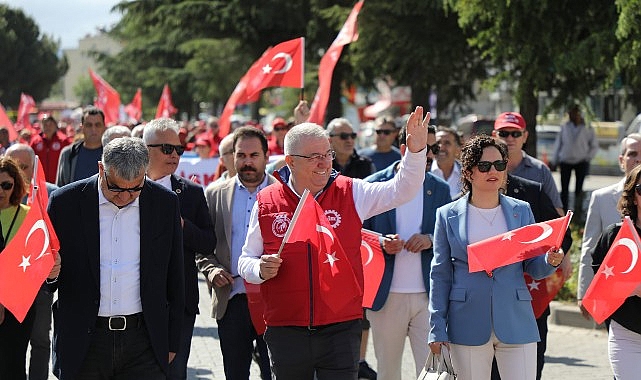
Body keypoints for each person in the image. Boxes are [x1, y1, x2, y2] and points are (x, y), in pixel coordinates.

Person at [238, 105, 430, 380]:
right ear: (291, 161)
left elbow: (403, 189)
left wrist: (416, 151)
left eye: (327, 154)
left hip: (341, 325)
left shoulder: (351, 191)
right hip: (286, 327)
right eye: (314, 157)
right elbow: (246, 259)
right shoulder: (267, 201)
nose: (325, 163)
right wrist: (259, 269)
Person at [47, 137, 185, 379]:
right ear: (102, 169)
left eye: (135, 188)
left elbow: (175, 277)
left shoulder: (164, 203)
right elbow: (46, 279)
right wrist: (49, 274)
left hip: (144, 343)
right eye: (117, 188)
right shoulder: (64, 203)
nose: (125, 197)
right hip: (84, 343)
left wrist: (173, 342)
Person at [428, 135, 563, 380]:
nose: (494, 171)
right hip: (466, 322)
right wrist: (436, 327)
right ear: (468, 172)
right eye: (484, 166)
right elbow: (440, 274)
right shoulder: (446, 215)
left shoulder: (521, 210)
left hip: (516, 319)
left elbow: (533, 266)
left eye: (500, 165)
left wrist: (550, 261)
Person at [363, 124, 451, 379]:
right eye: (425, 148)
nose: (432, 155)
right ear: (405, 149)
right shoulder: (374, 185)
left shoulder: (441, 189)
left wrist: (430, 239)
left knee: (434, 372)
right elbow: (356, 236)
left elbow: (452, 236)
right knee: (388, 371)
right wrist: (381, 242)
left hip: (429, 297)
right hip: (386, 296)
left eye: (434, 148)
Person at [196, 126, 274, 380]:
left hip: (273, 301)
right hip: (232, 301)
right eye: (241, 155)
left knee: (275, 372)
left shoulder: (284, 193)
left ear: (266, 156)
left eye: (254, 155)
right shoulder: (215, 194)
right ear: (232, 157)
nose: (247, 162)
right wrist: (212, 270)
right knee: (235, 373)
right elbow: (203, 246)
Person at [143, 119, 215, 380]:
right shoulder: (128, 190)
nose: (174, 155)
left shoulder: (191, 193)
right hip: (136, 303)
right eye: (166, 148)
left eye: (178, 149)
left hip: (179, 304)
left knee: (174, 373)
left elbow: (208, 242)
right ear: (145, 149)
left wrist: (183, 227)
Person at [0, 156, 61, 380]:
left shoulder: (29, 215)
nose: (1, 190)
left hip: (20, 302)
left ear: (16, 184)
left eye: (6, 185)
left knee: (14, 363)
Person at [327, 117, 376, 377]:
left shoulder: (364, 164)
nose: (349, 140)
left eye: (352, 135)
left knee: (361, 308)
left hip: (359, 245)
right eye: (343, 136)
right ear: (330, 140)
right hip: (327, 247)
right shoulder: (322, 164)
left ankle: (360, 360)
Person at [578, 133, 641, 318]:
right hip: (612, 293)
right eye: (632, 153)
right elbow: (590, 247)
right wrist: (584, 293)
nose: (637, 159)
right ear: (622, 160)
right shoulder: (601, 198)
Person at [591, 164, 641, 380]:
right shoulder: (616, 236)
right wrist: (633, 288)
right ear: (634, 196)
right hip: (627, 334)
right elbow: (600, 287)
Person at [492, 111, 564, 216]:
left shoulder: (540, 170)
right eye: (504, 134)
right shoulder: (485, 169)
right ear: (494, 135)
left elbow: (557, 213)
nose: (510, 138)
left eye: (516, 134)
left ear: (525, 136)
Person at [553, 105, 598, 212]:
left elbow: (594, 145)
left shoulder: (588, 127)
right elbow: (558, 144)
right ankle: (563, 212)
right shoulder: (564, 126)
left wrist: (587, 157)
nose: (574, 115)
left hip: (581, 161)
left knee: (579, 189)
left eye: (576, 113)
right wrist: (555, 159)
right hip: (565, 160)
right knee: (564, 189)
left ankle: (578, 211)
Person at [56, 107, 107, 186]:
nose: (93, 129)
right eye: (89, 125)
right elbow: (59, 189)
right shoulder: (68, 154)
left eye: (97, 125)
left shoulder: (112, 154)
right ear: (82, 127)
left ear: (104, 127)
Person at [30, 114, 71, 183]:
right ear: (41, 126)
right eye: (45, 124)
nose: (48, 127)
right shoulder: (35, 142)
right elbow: (30, 159)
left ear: (55, 125)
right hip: (40, 182)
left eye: (50, 124)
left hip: (58, 182)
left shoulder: (64, 141)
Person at [431, 127, 463, 198]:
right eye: (438, 143)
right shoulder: (423, 173)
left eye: (447, 143)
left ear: (458, 148)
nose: (441, 147)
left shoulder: (468, 174)